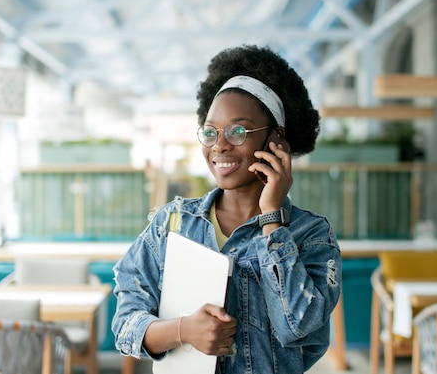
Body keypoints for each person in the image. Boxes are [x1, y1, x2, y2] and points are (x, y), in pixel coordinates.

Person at [112, 44, 341, 374]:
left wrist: (272, 218)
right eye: (211, 132)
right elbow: (125, 324)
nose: (220, 144)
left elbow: (299, 326)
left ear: (276, 139)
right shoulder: (172, 224)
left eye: (238, 131)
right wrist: (183, 330)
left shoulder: (311, 235)